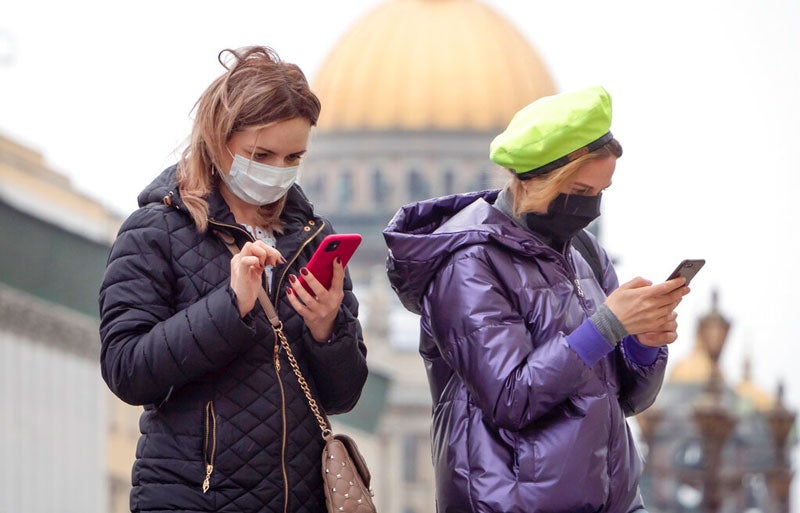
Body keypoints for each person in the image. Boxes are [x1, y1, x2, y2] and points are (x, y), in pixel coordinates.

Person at [383, 86, 689, 513]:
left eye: (601, 192)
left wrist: (645, 342)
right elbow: (511, 397)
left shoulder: (584, 253)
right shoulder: (468, 263)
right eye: (581, 192)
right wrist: (607, 326)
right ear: (535, 180)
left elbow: (626, 400)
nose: (592, 207)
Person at [99, 46, 368, 513]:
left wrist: (328, 330)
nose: (277, 171)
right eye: (261, 154)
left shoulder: (310, 239)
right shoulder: (155, 232)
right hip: (191, 499)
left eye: (293, 157)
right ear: (218, 138)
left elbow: (344, 395)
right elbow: (127, 369)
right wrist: (230, 306)